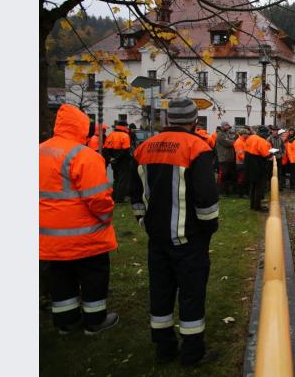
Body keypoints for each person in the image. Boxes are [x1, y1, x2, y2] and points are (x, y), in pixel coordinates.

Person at [129, 98, 220, 366]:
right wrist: (208, 229)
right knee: (191, 293)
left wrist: (143, 222)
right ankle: (193, 352)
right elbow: (206, 197)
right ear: (194, 121)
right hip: (189, 238)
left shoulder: (144, 147)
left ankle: (164, 348)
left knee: (160, 291)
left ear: (168, 120)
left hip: (157, 238)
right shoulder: (197, 147)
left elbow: (135, 194)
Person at [40, 104, 119, 336]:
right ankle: (95, 321)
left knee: (61, 278)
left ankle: (66, 322)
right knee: (94, 276)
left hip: (49, 237)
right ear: (83, 128)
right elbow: (98, 198)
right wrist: (106, 218)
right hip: (85, 236)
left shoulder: (39, 151)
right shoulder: (84, 156)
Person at [103, 120, 132, 202]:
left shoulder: (110, 135)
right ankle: (120, 199)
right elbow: (125, 150)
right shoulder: (125, 135)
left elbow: (105, 149)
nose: (127, 127)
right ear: (123, 126)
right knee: (123, 180)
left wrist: (110, 158)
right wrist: (116, 158)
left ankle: (114, 196)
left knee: (116, 179)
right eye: (126, 126)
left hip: (113, 161)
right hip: (123, 161)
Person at [245, 126, 272, 212]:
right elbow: (266, 154)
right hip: (257, 164)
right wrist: (271, 155)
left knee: (253, 185)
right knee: (259, 186)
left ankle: (252, 205)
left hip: (249, 162)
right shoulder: (261, 141)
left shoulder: (251, 137)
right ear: (263, 133)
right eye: (266, 134)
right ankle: (257, 206)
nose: (267, 135)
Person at [214, 121, 237, 195]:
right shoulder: (220, 135)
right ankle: (220, 191)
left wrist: (233, 139)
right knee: (223, 175)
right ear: (223, 126)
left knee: (229, 175)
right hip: (223, 158)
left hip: (229, 158)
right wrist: (235, 141)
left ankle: (227, 190)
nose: (229, 127)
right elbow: (228, 143)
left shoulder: (226, 134)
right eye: (227, 126)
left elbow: (231, 140)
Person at [267, 126, 286, 190]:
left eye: (277, 130)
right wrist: (272, 154)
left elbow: (283, 147)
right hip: (272, 158)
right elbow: (267, 148)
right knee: (270, 173)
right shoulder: (269, 138)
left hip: (279, 158)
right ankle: (270, 186)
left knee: (279, 172)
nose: (276, 132)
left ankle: (278, 186)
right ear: (272, 131)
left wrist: (283, 154)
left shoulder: (280, 139)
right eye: (274, 130)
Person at [233, 128, 250, 198]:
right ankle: (241, 194)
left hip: (243, 163)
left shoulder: (243, 141)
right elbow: (240, 154)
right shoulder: (239, 142)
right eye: (246, 134)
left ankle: (243, 193)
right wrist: (248, 160)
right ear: (243, 134)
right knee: (241, 179)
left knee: (244, 178)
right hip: (241, 163)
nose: (248, 135)